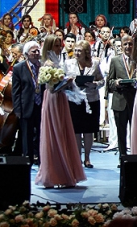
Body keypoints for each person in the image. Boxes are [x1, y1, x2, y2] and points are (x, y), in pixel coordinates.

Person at [34, 52, 86, 188]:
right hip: (52, 100)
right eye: (56, 45)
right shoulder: (46, 66)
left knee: (63, 132)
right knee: (54, 133)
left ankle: (66, 171)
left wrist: (67, 83)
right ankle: (53, 174)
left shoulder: (59, 64)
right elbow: (51, 89)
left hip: (61, 100)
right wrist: (63, 84)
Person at [64, 40, 104, 168]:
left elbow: (102, 80)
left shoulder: (94, 63)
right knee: (76, 130)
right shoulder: (68, 63)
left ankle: (87, 158)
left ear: (86, 52)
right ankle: (77, 158)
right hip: (74, 100)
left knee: (88, 130)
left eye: (79, 51)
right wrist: (68, 83)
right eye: (75, 50)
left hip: (91, 100)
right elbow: (63, 81)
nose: (76, 53)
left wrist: (95, 85)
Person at [107, 35, 136, 165]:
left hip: (135, 101)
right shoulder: (115, 60)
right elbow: (109, 82)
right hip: (120, 101)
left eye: (130, 44)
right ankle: (123, 158)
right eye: (125, 44)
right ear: (121, 46)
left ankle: (136, 157)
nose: (128, 47)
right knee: (121, 133)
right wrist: (116, 83)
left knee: (136, 132)